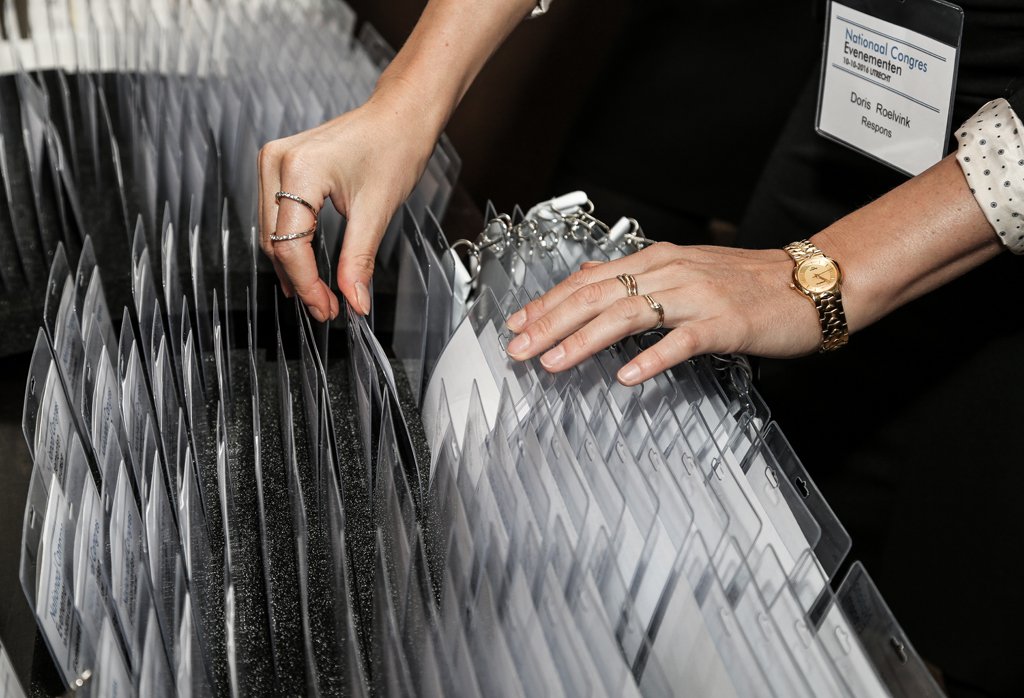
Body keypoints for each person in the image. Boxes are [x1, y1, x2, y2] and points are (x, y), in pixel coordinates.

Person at [258, 1, 1023, 694]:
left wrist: (819, 276)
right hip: (873, 63)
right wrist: (408, 98)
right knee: (769, 487)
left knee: (962, 584)